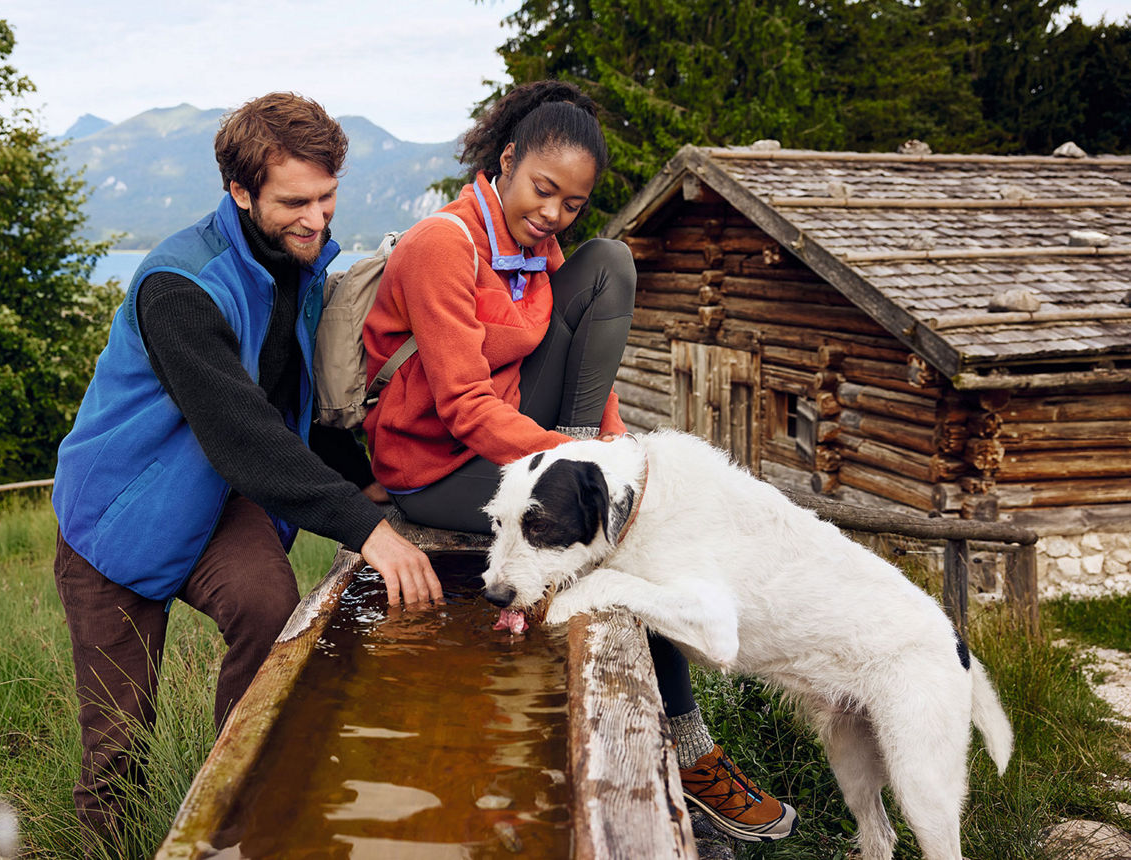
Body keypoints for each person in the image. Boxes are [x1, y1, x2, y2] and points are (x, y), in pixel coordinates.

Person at [362, 80, 798, 843]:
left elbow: (586, 381)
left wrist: (615, 457)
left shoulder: (541, 254)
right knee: (621, 547)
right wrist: (580, 457)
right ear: (505, 162)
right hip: (432, 464)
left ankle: (685, 750)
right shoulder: (444, 244)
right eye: (543, 189)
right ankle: (693, 755)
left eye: (571, 201)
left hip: (517, 440)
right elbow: (464, 408)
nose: (554, 214)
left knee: (610, 263)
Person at [50, 92, 441, 841]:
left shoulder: (299, 265)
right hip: (115, 518)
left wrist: (368, 482)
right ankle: (119, 846)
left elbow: (289, 398)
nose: (318, 218)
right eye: (296, 201)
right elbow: (243, 432)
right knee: (118, 749)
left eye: (328, 198)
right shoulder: (179, 287)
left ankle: (235, 808)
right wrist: (368, 529)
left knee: (272, 612)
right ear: (240, 191)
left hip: (211, 498)